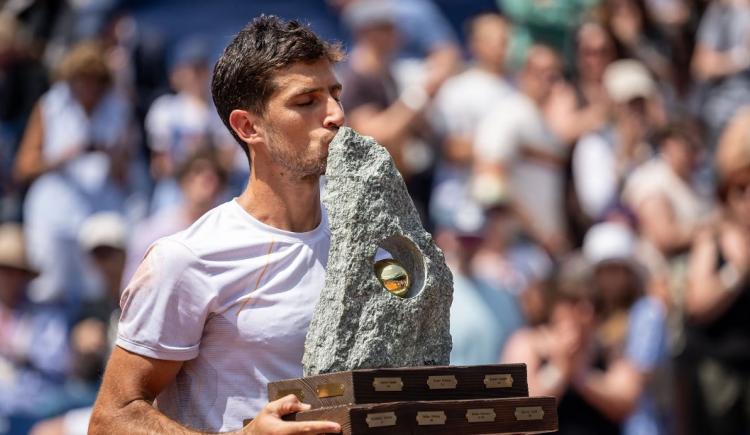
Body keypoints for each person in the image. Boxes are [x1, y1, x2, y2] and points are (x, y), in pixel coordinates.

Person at [89, 16, 345, 434]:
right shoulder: (187, 258)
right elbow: (111, 419)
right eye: (306, 101)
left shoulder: (369, 243)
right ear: (248, 126)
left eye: (335, 94)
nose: (335, 115)